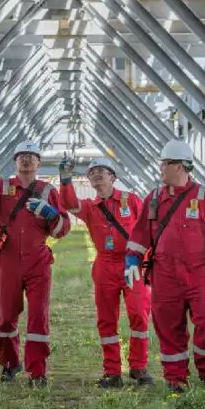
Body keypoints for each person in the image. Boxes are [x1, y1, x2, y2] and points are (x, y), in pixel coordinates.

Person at [124, 139, 205, 393]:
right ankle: (175, 378)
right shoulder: (153, 198)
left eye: (165, 163)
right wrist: (131, 260)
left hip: (200, 273)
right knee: (168, 325)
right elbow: (140, 234)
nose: (160, 168)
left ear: (180, 167)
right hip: (164, 274)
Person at [0, 140, 71, 387]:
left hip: (38, 262)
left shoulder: (48, 192)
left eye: (31, 156)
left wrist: (50, 213)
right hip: (7, 262)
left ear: (38, 162)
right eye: (21, 156)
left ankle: (37, 371)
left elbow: (62, 229)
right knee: (5, 317)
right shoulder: (2, 186)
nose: (26, 160)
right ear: (15, 162)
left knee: (38, 317)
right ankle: (9, 363)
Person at [58, 157, 153, 388]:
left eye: (102, 171)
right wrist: (65, 179)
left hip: (133, 264)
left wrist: (148, 262)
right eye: (92, 173)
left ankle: (138, 367)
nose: (96, 175)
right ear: (88, 181)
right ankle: (112, 372)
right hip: (105, 266)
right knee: (106, 320)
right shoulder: (90, 208)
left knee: (139, 313)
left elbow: (148, 230)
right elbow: (69, 203)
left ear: (113, 177)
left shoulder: (131, 200)